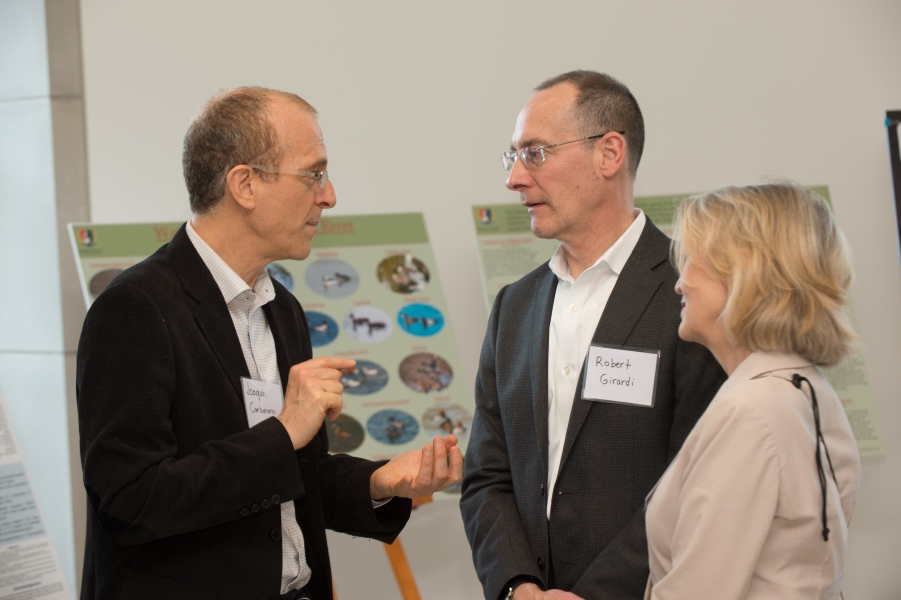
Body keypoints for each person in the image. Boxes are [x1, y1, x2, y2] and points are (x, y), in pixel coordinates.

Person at [76, 87, 463, 600]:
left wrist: (379, 483)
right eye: (313, 174)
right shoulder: (134, 310)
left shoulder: (281, 307)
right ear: (245, 184)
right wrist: (282, 433)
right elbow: (131, 502)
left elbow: (293, 475)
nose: (329, 196)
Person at [459, 70, 726, 600]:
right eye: (513, 157)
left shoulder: (694, 293)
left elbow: (699, 482)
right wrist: (517, 585)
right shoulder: (515, 305)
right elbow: (488, 476)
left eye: (534, 153)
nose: (514, 179)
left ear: (609, 155)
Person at [644, 182, 861, 599]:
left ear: (742, 268)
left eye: (690, 261)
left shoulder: (751, 410)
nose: (679, 283)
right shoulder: (805, 389)